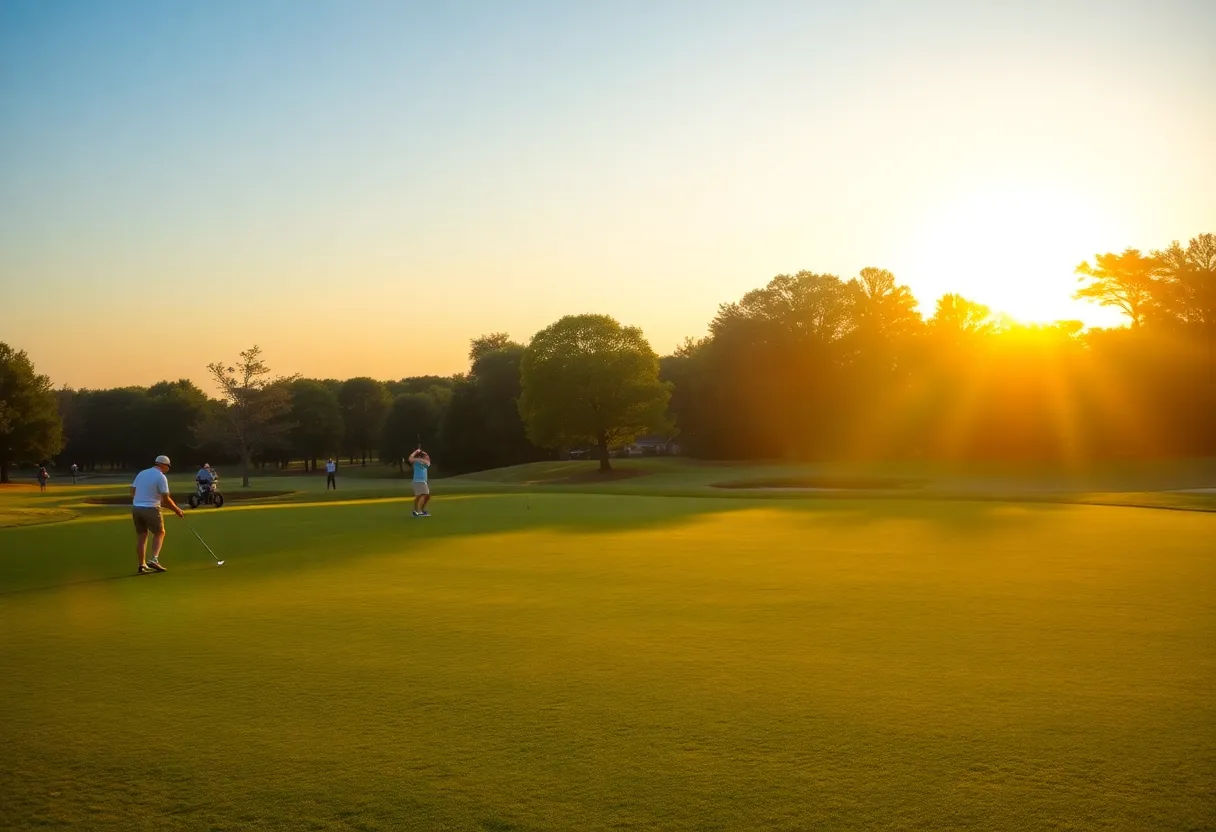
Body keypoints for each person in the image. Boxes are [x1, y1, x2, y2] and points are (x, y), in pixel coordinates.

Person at [131, 454, 184, 574]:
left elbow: (132, 491)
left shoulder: (142, 473)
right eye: (168, 466)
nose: (168, 469)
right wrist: (177, 510)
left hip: (136, 508)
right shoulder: (161, 477)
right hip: (151, 508)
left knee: (142, 535)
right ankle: (154, 559)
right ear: (163, 465)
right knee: (160, 532)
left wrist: (142, 498)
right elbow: (166, 499)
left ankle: (142, 564)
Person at [408, 448, 431, 517]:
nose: (427, 457)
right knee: (419, 496)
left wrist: (421, 456)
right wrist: (415, 452)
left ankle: (421, 511)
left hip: (423, 482)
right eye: (425, 456)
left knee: (427, 496)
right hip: (417, 481)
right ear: (421, 456)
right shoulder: (416, 462)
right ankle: (416, 511)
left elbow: (428, 463)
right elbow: (410, 459)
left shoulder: (425, 463)